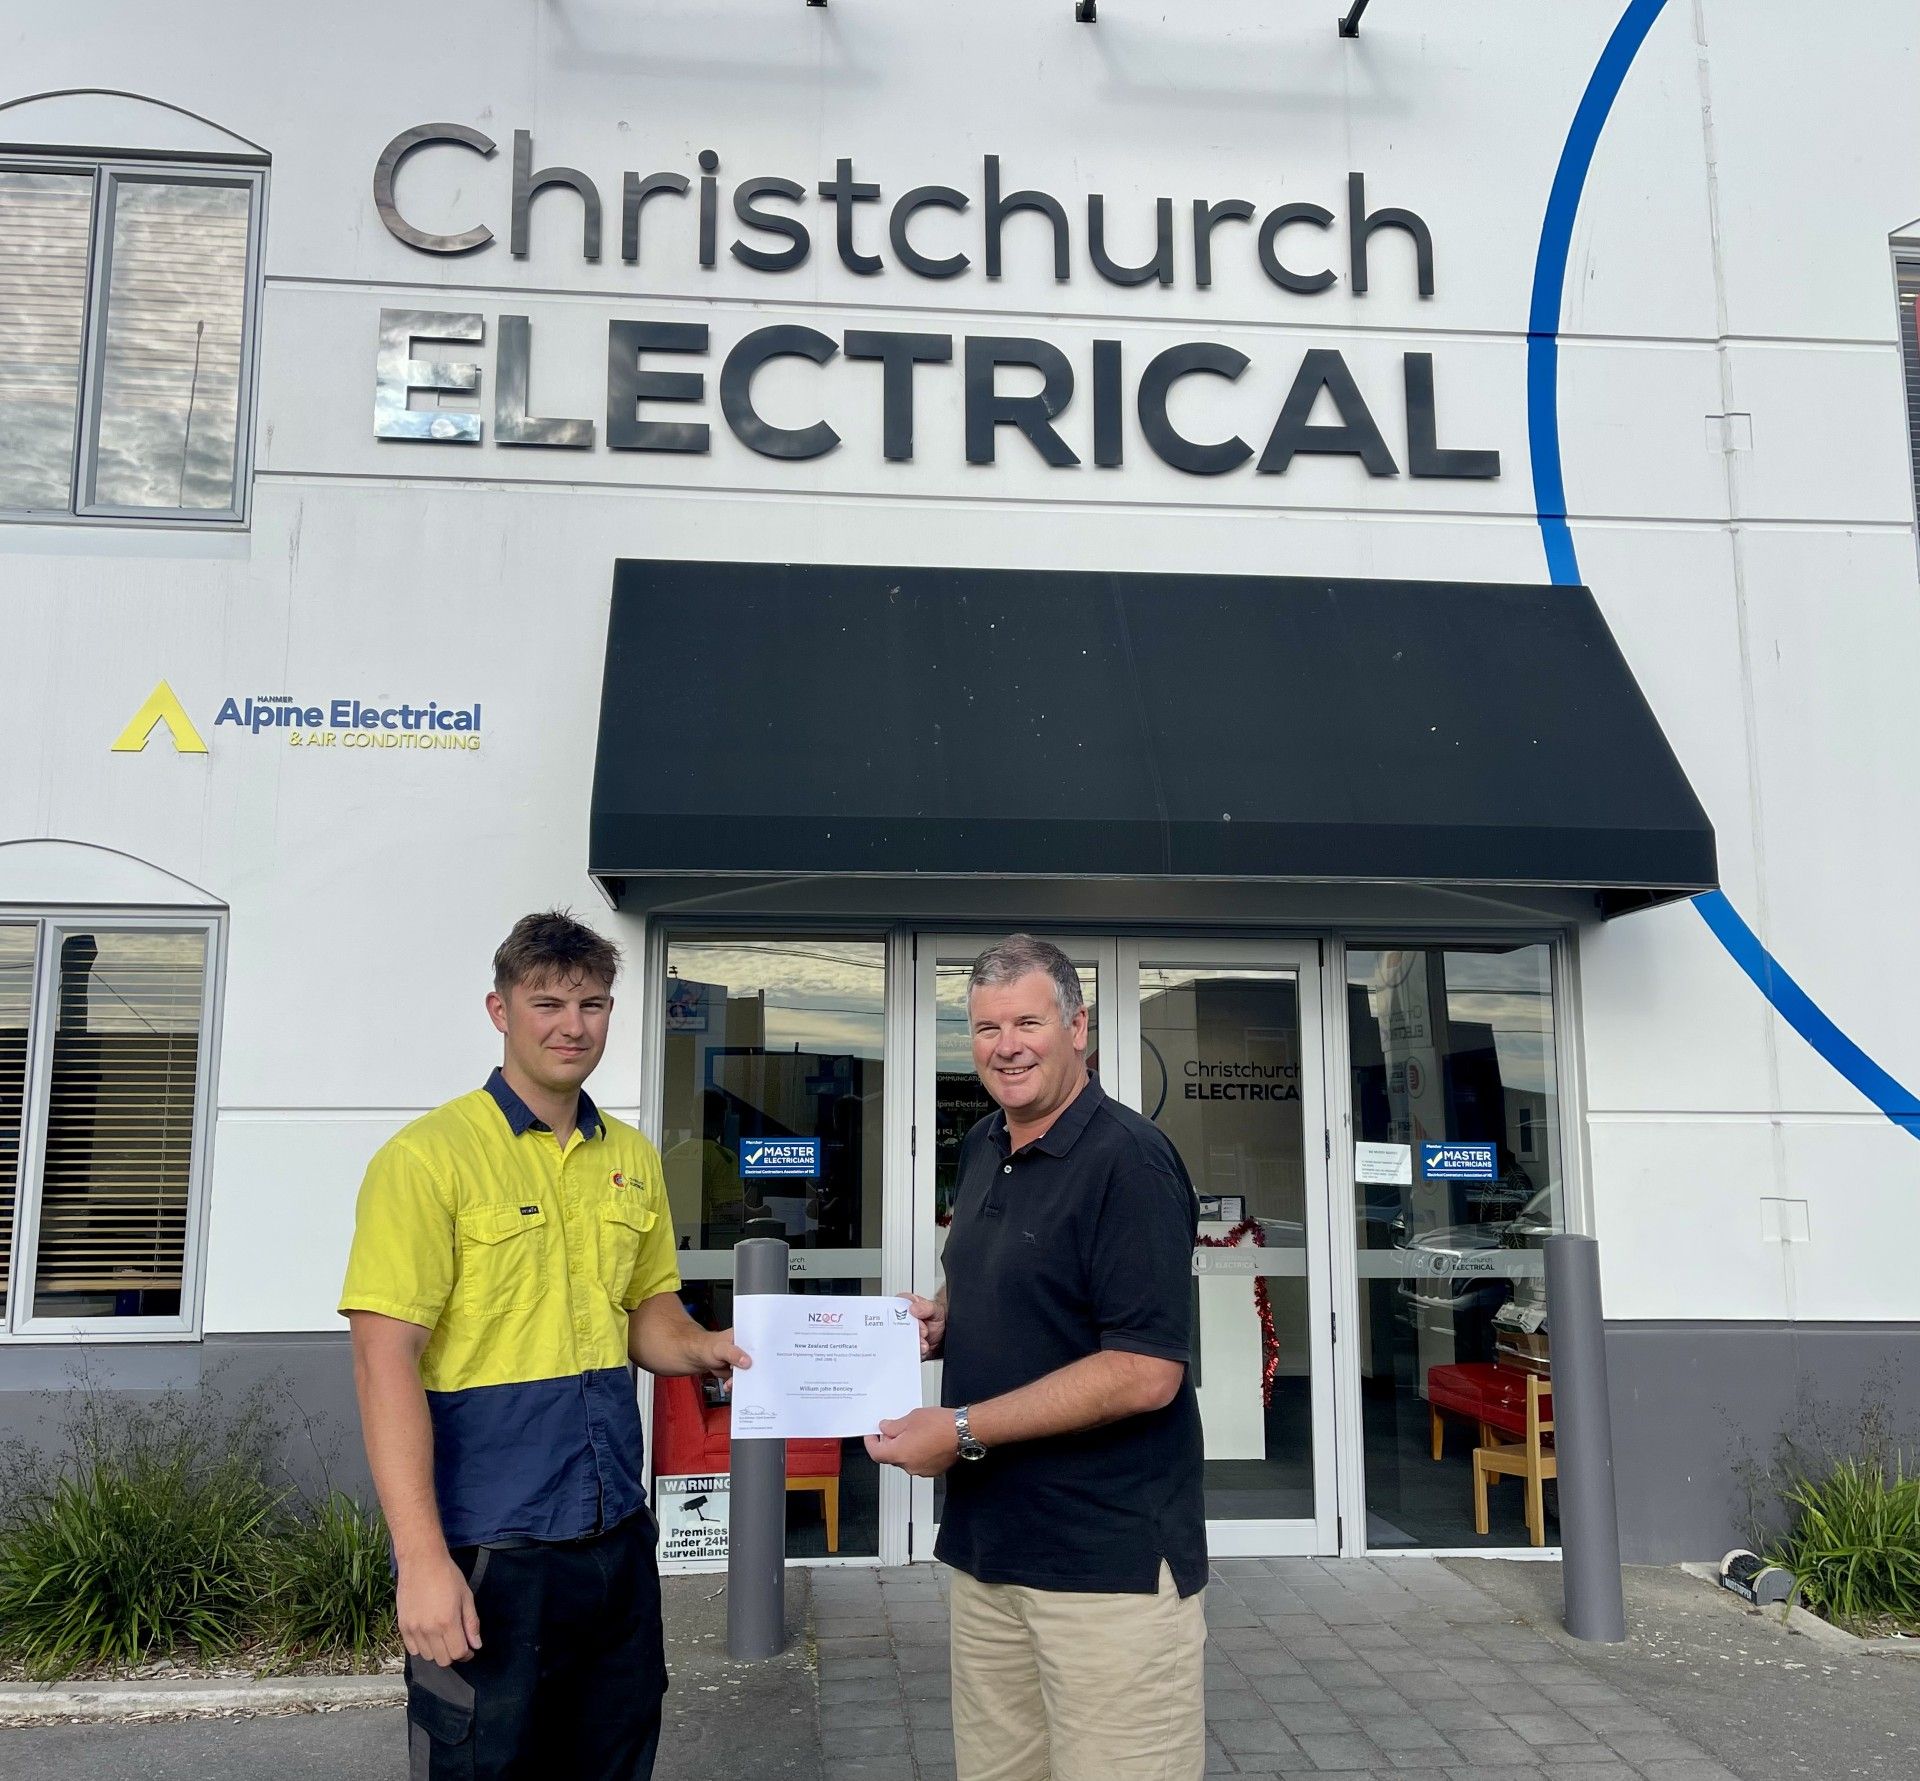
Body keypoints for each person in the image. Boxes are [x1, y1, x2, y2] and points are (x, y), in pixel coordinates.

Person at [339, 910, 746, 1780]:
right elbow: (382, 1360)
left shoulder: (631, 1156)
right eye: (548, 1003)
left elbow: (648, 1315)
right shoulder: (427, 1160)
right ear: (500, 1010)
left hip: (615, 1536)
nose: (573, 1025)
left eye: (592, 1004)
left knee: (615, 1759)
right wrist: (421, 1560)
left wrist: (710, 1346)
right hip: (491, 1547)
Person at [866, 934, 1207, 1781]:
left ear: (1077, 1028)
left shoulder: (1129, 1161)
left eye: (1028, 1022)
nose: (1006, 1046)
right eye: (987, 1027)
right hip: (991, 1555)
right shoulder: (987, 1143)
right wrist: (946, 1319)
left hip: (1107, 1569)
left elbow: (1145, 1370)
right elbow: (1021, 1283)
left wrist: (961, 1428)